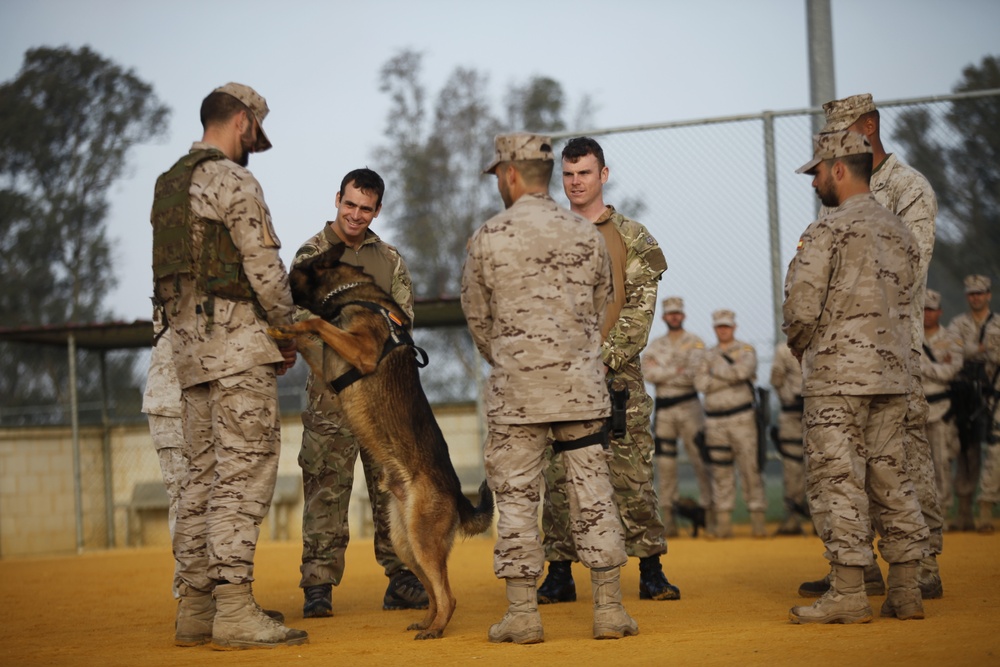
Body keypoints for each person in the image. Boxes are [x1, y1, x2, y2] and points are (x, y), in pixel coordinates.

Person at [461, 132, 637, 643]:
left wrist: (514, 359)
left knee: (516, 498)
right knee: (594, 494)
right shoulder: (586, 235)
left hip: (518, 395)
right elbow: (605, 302)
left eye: (498, 175)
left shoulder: (488, 237)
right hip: (580, 390)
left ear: (510, 175)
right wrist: (575, 354)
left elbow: (477, 319)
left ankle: (522, 615)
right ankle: (608, 611)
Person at [150, 83, 306, 648]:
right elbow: (263, 269)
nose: (252, 146)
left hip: (188, 355)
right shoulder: (232, 179)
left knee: (201, 479)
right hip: (238, 349)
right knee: (243, 476)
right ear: (241, 121)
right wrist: (286, 332)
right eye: (253, 133)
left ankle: (195, 609)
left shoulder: (168, 186)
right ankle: (235, 609)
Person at [799, 93, 943, 600]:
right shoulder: (843, 188)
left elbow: (912, 269)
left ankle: (920, 566)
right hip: (841, 357)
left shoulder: (906, 188)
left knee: (900, 461)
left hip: (893, 350)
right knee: (846, 467)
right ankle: (858, 568)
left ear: (869, 124)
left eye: (841, 129)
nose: (833, 142)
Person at [537, 136, 676, 605]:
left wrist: (601, 358)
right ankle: (558, 573)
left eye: (585, 173)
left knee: (631, 472)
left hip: (617, 380)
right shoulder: (548, 235)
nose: (576, 183)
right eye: (569, 175)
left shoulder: (633, 237)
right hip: (559, 382)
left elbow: (640, 309)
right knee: (557, 478)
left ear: (603, 175)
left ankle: (651, 568)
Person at [293, 168, 427, 618]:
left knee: (390, 486)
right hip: (330, 400)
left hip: (379, 403)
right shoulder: (312, 255)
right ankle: (318, 587)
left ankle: (402, 578)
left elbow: (402, 322)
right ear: (337, 199)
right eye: (349, 204)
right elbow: (300, 324)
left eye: (365, 208)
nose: (355, 215)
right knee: (325, 490)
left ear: (377, 210)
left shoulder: (389, 260)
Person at [643, 296, 712, 536]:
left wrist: (665, 371)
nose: (674, 316)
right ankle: (669, 520)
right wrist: (677, 369)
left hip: (690, 407)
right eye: (670, 313)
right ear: (663, 317)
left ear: (683, 315)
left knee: (700, 460)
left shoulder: (696, 342)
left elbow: (694, 373)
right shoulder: (654, 345)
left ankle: (708, 515)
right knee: (666, 465)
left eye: (678, 313)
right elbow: (648, 373)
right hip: (664, 412)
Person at [693, 309, 765, 539]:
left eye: (727, 326)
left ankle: (758, 523)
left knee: (749, 469)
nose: (723, 330)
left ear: (734, 327)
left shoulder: (745, 350)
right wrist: (728, 375)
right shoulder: (706, 354)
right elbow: (700, 383)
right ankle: (723, 525)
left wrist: (714, 372)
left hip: (741, 419)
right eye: (719, 327)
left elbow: (743, 371)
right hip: (714, 421)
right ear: (715, 329)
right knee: (720, 472)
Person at [141, 312, 185, 596]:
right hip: (172, 403)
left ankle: (224, 595)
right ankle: (193, 598)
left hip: (207, 404)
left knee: (217, 500)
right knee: (185, 499)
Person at [946, 274, 995, 530]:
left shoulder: (998, 324)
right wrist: (982, 349)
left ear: (989, 294)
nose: (975, 297)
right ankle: (963, 510)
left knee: (995, 450)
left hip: (992, 396)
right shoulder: (957, 323)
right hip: (964, 395)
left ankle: (985, 505)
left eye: (980, 292)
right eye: (971, 293)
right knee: (965, 450)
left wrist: (972, 349)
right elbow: (954, 351)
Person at [919, 289, 964, 519]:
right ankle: (922, 514)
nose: (927, 314)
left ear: (940, 312)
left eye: (932, 310)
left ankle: (944, 511)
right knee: (917, 466)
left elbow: (952, 371)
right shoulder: (910, 338)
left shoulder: (951, 339)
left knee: (941, 462)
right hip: (916, 411)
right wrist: (938, 370)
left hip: (942, 410)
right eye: (924, 309)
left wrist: (924, 369)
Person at [769, 341, 808, 536]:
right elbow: (776, 379)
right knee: (792, 468)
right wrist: (790, 398)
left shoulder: (826, 341)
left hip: (822, 411)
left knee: (825, 468)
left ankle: (824, 521)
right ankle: (792, 520)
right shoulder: (784, 349)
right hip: (792, 413)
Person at [976, 314, 1000, 533]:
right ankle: (985, 511)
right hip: (999, 404)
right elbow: (994, 354)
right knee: (996, 455)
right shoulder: (996, 326)